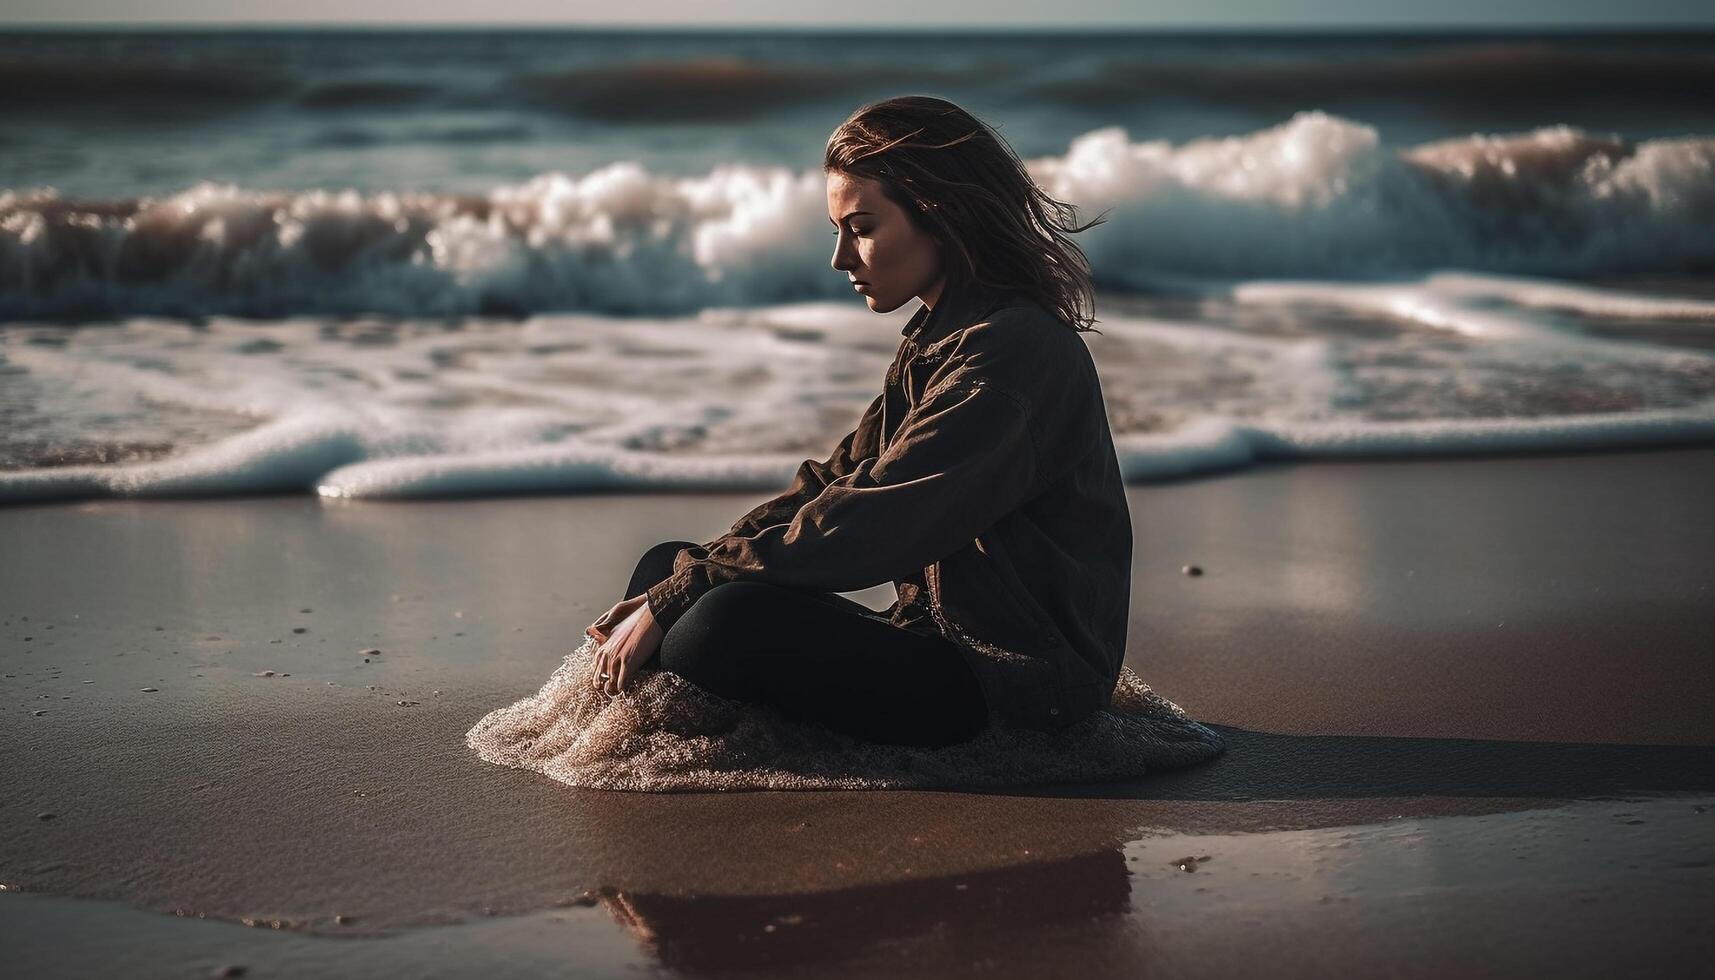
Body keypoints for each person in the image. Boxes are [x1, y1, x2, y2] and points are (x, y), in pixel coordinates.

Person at [582, 95, 1131, 748]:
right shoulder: (939, 335)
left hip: (1015, 680)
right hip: (933, 638)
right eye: (837, 230)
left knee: (713, 624)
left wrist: (690, 595)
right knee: (664, 570)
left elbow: (876, 521)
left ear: (940, 214)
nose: (841, 258)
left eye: (862, 227)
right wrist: (684, 580)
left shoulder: (1010, 354)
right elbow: (833, 482)